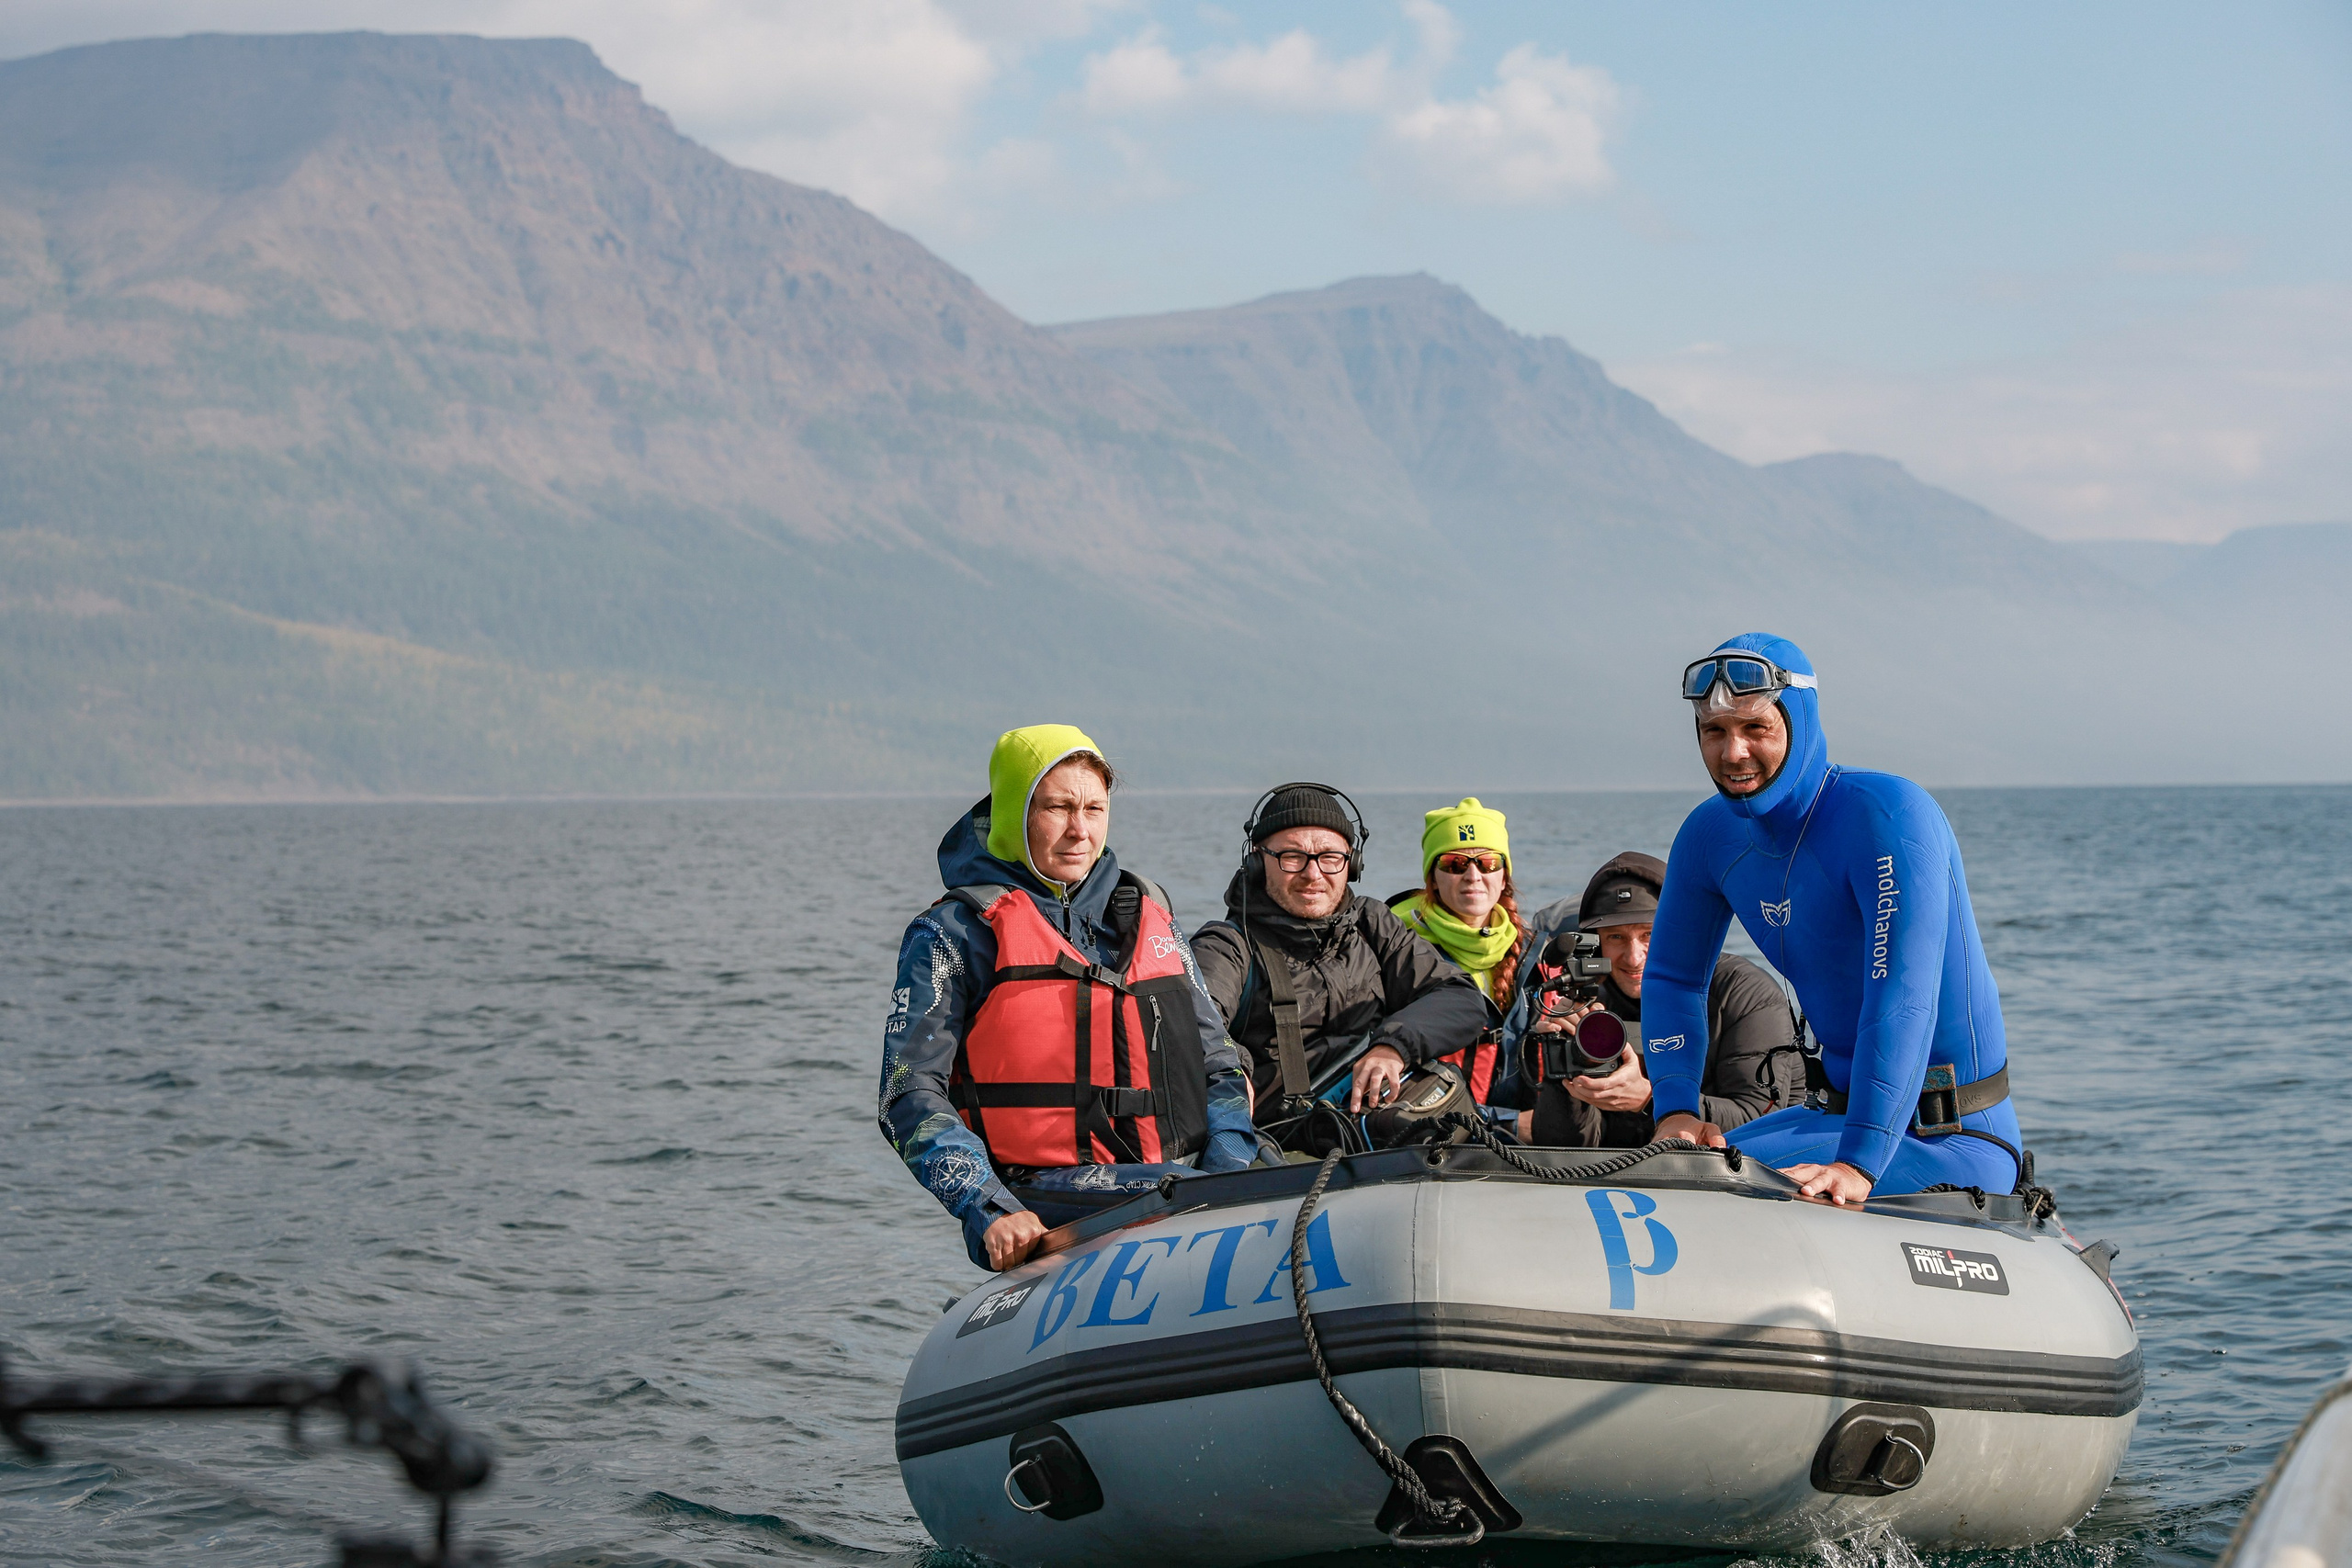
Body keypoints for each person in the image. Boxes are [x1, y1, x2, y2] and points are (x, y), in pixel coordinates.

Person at [1642, 635, 2025, 1204]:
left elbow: (1902, 998)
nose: (1733, 754)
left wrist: (1856, 1165)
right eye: (1714, 731)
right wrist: (1675, 1107)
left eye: (1756, 729)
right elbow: (1674, 977)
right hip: (1830, 1121)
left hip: (1952, 1139)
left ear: (1798, 722)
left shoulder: (1887, 815)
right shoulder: (1709, 836)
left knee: (1687, 1186)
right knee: (1653, 1165)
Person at [877, 725, 1259, 1272]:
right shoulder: (952, 934)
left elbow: (1218, 1061)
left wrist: (1229, 1169)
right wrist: (987, 1206)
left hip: (1186, 1177)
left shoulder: (1153, 917)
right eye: (1059, 807)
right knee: (1177, 1189)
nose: (1080, 830)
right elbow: (906, 1093)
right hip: (1043, 1191)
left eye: (1095, 809)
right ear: (1015, 814)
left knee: (1295, 1175)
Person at [1190, 784, 1487, 1140]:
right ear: (1257, 861)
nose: (1313, 874)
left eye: (1330, 858)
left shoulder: (1371, 924)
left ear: (1353, 863)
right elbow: (1192, 1026)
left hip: (1378, 1127)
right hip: (1282, 1150)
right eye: (1292, 857)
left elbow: (1461, 997)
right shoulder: (1227, 946)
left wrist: (1393, 1047)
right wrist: (1231, 1074)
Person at [1510, 852, 1801, 1147]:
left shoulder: (1743, 992)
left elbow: (1761, 1117)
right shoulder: (1593, 1006)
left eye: (1649, 934)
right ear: (1596, 944)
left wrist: (1652, 1101)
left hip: (1756, 1167)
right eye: (1615, 938)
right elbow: (1566, 1148)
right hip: (1638, 1174)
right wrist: (1564, 1074)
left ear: (1678, 932)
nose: (1634, 958)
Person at [1386, 797, 1533, 1125]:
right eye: (1454, 863)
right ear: (1433, 878)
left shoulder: (1535, 953)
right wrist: (1507, 1123)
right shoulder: (1396, 951)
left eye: (1488, 863)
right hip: (1435, 1131)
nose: (1472, 875)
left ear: (1504, 875)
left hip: (1526, 1135)